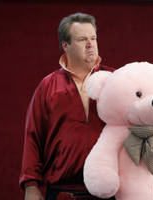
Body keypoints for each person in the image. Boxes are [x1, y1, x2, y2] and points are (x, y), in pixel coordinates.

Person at [19, 12, 115, 200]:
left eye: (93, 38)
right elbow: (33, 136)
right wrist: (31, 185)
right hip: (61, 192)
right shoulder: (48, 86)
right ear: (65, 45)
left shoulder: (114, 80)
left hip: (108, 191)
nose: (90, 44)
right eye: (82, 39)